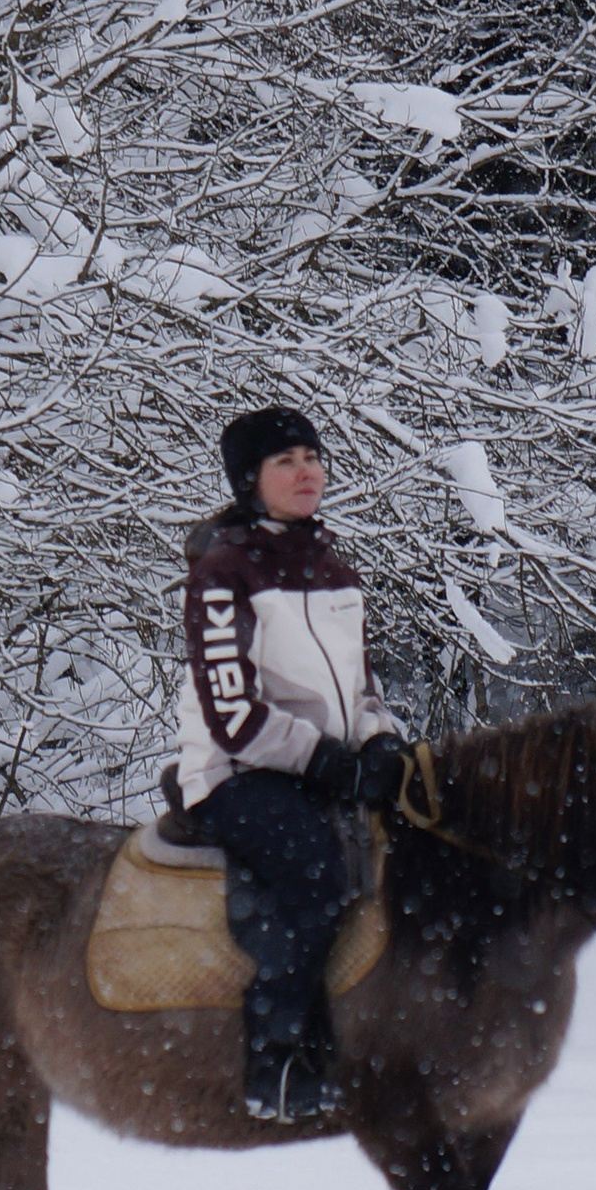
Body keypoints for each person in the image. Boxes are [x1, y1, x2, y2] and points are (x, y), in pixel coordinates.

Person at [176, 406, 408, 1123]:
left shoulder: (336, 568)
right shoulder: (223, 572)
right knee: (314, 866)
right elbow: (233, 716)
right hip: (239, 774)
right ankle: (276, 1062)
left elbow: (361, 688)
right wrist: (326, 761)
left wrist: (379, 741)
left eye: (313, 456)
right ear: (252, 480)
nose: (307, 471)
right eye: (286, 461)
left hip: (323, 767)